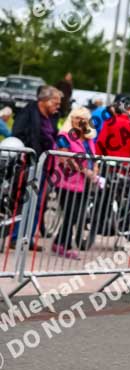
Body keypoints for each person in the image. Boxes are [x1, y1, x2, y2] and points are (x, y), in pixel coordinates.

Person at [10, 85, 62, 251]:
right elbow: (17, 133)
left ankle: (28, 238)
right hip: (28, 165)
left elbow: (54, 135)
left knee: (38, 203)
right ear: (44, 101)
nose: (58, 105)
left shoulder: (52, 117)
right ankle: (16, 237)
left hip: (45, 166)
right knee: (24, 201)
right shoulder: (28, 113)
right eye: (55, 101)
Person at [52, 107, 99, 260]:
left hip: (85, 183)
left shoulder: (88, 138)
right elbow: (64, 159)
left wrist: (95, 172)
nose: (80, 121)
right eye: (77, 118)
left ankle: (59, 242)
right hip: (66, 182)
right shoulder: (63, 136)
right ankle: (65, 246)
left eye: (84, 119)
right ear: (71, 119)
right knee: (71, 214)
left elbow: (94, 157)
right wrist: (85, 171)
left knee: (74, 215)